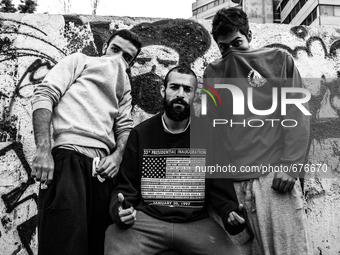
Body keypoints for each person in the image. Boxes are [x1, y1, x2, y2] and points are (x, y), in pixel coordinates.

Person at [203, 7, 312, 255]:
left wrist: (291, 166)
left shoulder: (279, 59)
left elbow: (297, 114)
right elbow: (212, 135)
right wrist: (222, 197)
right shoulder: (212, 73)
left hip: (273, 180)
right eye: (223, 47)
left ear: (249, 35)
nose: (230, 51)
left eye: (236, 42)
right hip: (233, 185)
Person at [104, 66, 242, 255]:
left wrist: (230, 214)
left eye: (187, 89)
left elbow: (221, 190)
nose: (180, 94)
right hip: (148, 221)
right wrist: (120, 211)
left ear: (195, 95)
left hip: (194, 223)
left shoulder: (209, 134)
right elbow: (126, 187)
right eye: (174, 87)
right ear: (163, 91)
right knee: (114, 240)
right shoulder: (141, 133)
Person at [31, 29, 142, 255]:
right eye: (115, 49)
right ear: (104, 49)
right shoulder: (79, 61)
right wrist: (43, 150)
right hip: (67, 163)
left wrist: (117, 157)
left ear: (130, 64)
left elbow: (124, 127)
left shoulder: (125, 86)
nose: (118, 58)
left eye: (126, 57)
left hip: (102, 173)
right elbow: (44, 95)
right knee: (62, 245)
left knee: (98, 246)